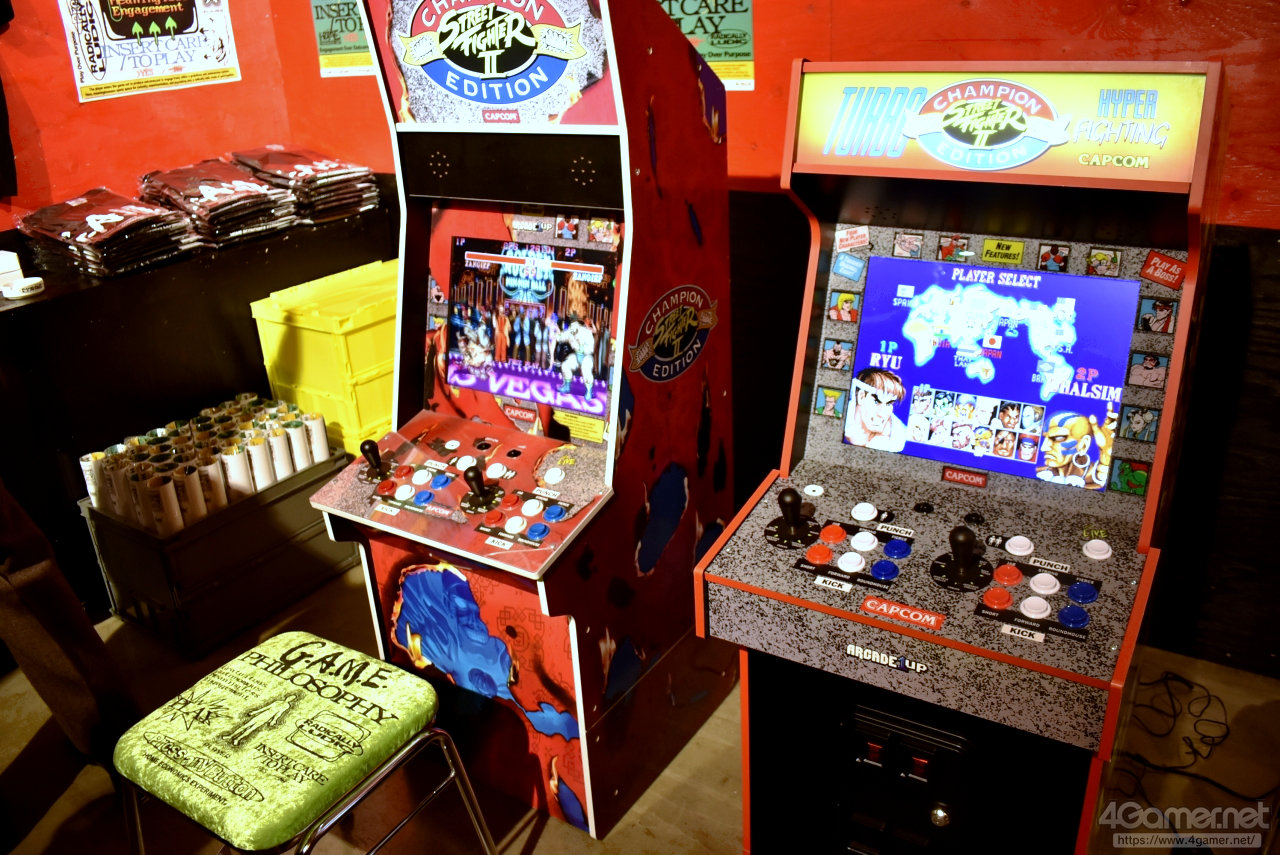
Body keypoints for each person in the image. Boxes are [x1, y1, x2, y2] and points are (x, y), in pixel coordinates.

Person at [1036, 406, 1116, 489]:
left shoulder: (1096, 477)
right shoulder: (1040, 472)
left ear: (1083, 445)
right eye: (1045, 438)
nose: (1044, 448)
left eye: (1058, 438)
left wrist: (1106, 457)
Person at [844, 367, 907, 452]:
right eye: (876, 401)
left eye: (889, 403)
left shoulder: (896, 438)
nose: (882, 413)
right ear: (861, 397)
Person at [556, 313, 597, 399]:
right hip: (577, 356)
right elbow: (561, 337)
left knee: (585, 368)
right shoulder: (571, 331)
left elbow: (591, 348)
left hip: (587, 356)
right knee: (565, 365)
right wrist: (556, 330)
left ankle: (589, 390)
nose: (573, 334)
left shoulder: (586, 332)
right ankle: (567, 386)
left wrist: (580, 347)